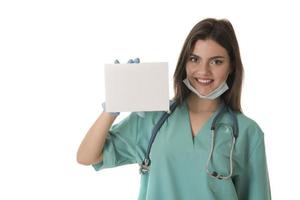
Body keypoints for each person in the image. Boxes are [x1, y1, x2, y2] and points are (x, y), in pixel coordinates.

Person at [77, 18, 271, 200]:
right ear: (184, 62)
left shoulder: (247, 132)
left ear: (232, 67)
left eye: (216, 61)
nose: (203, 71)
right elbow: (87, 157)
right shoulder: (153, 118)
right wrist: (112, 107)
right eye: (194, 59)